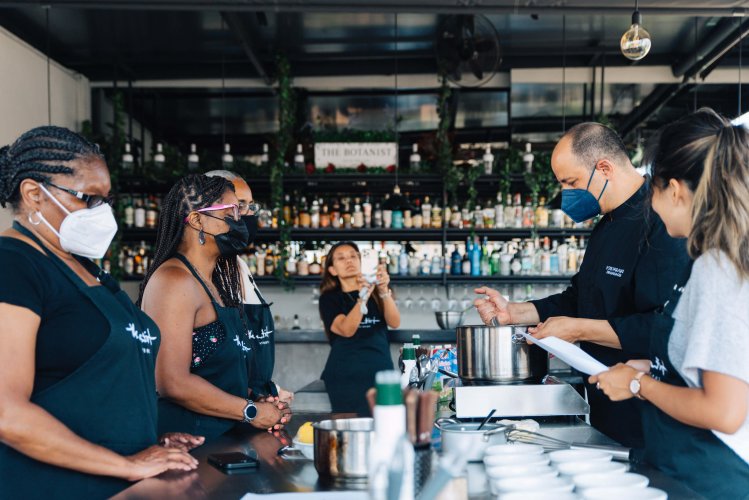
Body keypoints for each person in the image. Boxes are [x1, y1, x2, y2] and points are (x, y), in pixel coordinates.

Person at [0, 126, 200, 499]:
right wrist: (127, 464)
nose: (101, 213)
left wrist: (143, 436)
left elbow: (93, 384)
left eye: (105, 200)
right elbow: (6, 413)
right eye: (88, 198)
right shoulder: (12, 264)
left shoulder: (86, 267)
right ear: (33, 195)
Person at [475, 122, 690, 447]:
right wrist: (514, 312)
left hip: (647, 414)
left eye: (571, 182)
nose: (567, 195)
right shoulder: (606, 223)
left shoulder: (663, 223)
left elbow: (663, 329)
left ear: (604, 168)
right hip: (605, 407)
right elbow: (580, 297)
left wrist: (578, 330)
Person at [591, 109, 749, 498]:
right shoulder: (711, 260)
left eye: (654, 191)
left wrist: (636, 382)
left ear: (675, 190)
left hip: (710, 477)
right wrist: (652, 366)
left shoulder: (718, 268)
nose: (652, 205)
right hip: (686, 470)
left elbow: (723, 411)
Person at [139, 174, 290, 440]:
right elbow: (172, 383)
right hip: (189, 443)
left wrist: (259, 400)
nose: (240, 219)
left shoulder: (216, 281)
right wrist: (251, 411)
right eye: (231, 211)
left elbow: (218, 372)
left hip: (225, 439)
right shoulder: (173, 280)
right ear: (197, 220)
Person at [204, 170, 293, 404]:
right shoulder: (196, 272)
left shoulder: (238, 265)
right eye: (238, 205)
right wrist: (248, 405)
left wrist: (266, 391)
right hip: (223, 412)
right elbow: (201, 365)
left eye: (249, 206)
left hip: (252, 403)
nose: (246, 214)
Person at [318, 241, 400, 415]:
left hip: (380, 372)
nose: (349, 261)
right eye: (341, 258)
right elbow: (347, 329)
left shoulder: (377, 292)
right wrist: (363, 296)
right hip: (345, 376)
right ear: (332, 270)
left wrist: (383, 290)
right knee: (345, 435)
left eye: (354, 256)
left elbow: (395, 322)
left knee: (384, 426)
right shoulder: (329, 298)